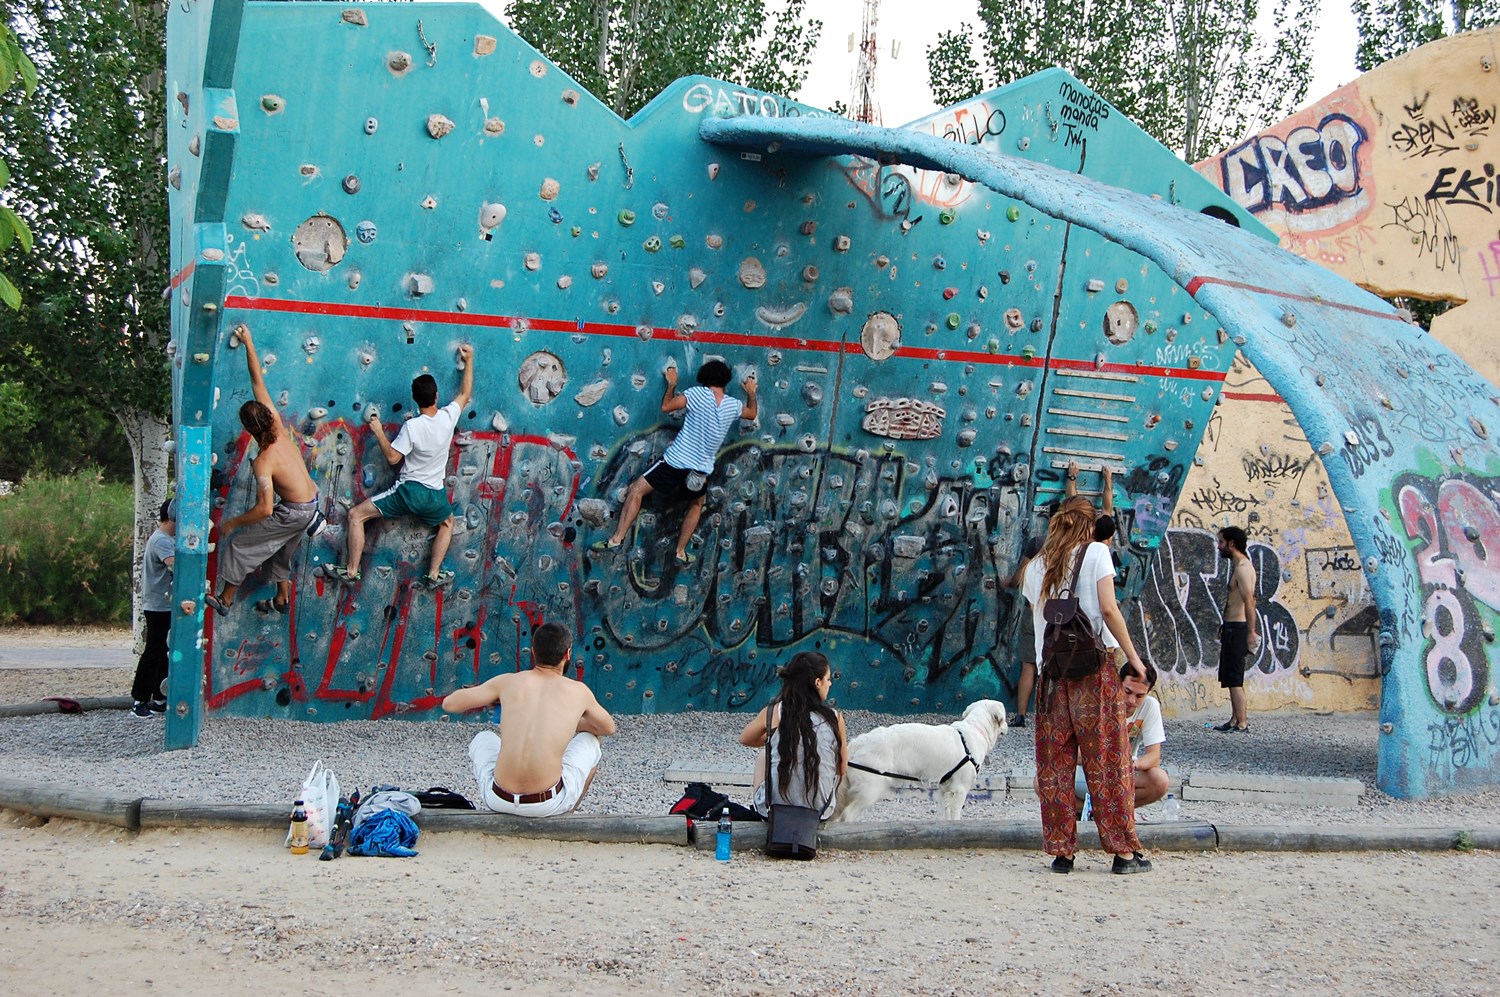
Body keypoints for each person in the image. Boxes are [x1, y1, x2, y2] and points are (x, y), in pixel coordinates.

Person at [1023, 495, 1152, 874]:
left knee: (1055, 763)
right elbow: (1109, 610)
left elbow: (1038, 621)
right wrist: (1134, 657)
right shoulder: (1096, 553)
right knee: (1107, 760)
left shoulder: (1035, 567)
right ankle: (1124, 853)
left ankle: (1062, 854)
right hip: (1093, 673)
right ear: (1089, 524)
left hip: (1051, 675)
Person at [329, 344, 474, 587]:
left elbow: (394, 458)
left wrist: (378, 432)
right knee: (448, 523)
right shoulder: (448, 417)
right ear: (436, 397)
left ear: (415, 401)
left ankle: (352, 570)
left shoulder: (413, 427)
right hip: (434, 495)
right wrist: (469, 360)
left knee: (355, 515)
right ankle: (434, 574)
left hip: (408, 493)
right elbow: (465, 393)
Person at [592, 358, 757, 564]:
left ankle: (617, 539)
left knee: (636, 490)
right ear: (725, 381)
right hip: (700, 471)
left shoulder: (696, 394)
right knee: (696, 504)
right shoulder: (732, 405)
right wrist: (751, 392)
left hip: (675, 462)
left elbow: (666, 406)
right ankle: (680, 552)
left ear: (704, 377)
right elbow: (751, 414)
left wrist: (671, 384)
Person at [442, 621, 616, 816]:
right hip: (547, 804)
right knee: (591, 741)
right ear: (568, 654)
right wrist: (567, 721)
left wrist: (496, 698)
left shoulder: (507, 682)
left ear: (533, 652)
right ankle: (567, 815)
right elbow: (608, 728)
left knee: (483, 737)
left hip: (498, 800)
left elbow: (450, 704)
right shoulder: (578, 691)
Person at [205, 326, 321, 616]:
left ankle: (225, 599)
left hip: (294, 511)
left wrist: (234, 523)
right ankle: (282, 597)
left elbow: (266, 510)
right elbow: (258, 379)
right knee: (279, 547)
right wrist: (249, 342)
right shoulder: (279, 427)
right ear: (268, 416)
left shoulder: (263, 461)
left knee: (240, 547)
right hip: (311, 504)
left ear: (249, 430)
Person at [739, 651, 848, 818]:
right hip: (819, 811)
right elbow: (841, 769)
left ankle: (763, 810)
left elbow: (745, 738)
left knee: (763, 755)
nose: (830, 683)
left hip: (775, 811)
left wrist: (775, 738)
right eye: (828, 678)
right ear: (817, 682)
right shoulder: (834, 718)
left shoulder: (775, 711)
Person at [1075, 661, 1168, 813]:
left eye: (1139, 696)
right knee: (1042, 783)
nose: (1132, 701)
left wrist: (1131, 764)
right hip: (1086, 775)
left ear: (1148, 692)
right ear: (1118, 684)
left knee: (1160, 780)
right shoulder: (1095, 701)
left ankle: (1102, 811)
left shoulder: (1150, 706)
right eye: (1127, 691)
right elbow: (1074, 753)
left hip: (1123, 775)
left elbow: (1154, 756)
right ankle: (1099, 810)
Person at [130, 498, 176, 719]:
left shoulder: (165, 539)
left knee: (162, 653)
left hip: (163, 604)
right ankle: (139, 698)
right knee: (153, 651)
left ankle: (159, 696)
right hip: (158, 605)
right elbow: (175, 565)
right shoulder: (161, 541)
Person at [1214, 525, 1260, 732]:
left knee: (1235, 677)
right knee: (1230, 676)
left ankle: (1242, 722)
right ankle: (1234, 719)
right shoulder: (1239, 566)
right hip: (1232, 627)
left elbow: (1250, 601)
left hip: (1239, 628)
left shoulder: (1243, 568)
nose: (1218, 547)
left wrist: (1250, 632)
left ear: (1231, 544)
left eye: (1221, 542)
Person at [1005, 535, 1044, 728]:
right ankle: (1049, 717)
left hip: (1034, 611)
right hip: (1059, 615)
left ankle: (1020, 716)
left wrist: (1008, 583)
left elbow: (1019, 577)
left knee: (1029, 666)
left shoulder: (1037, 543)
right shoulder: (1074, 545)